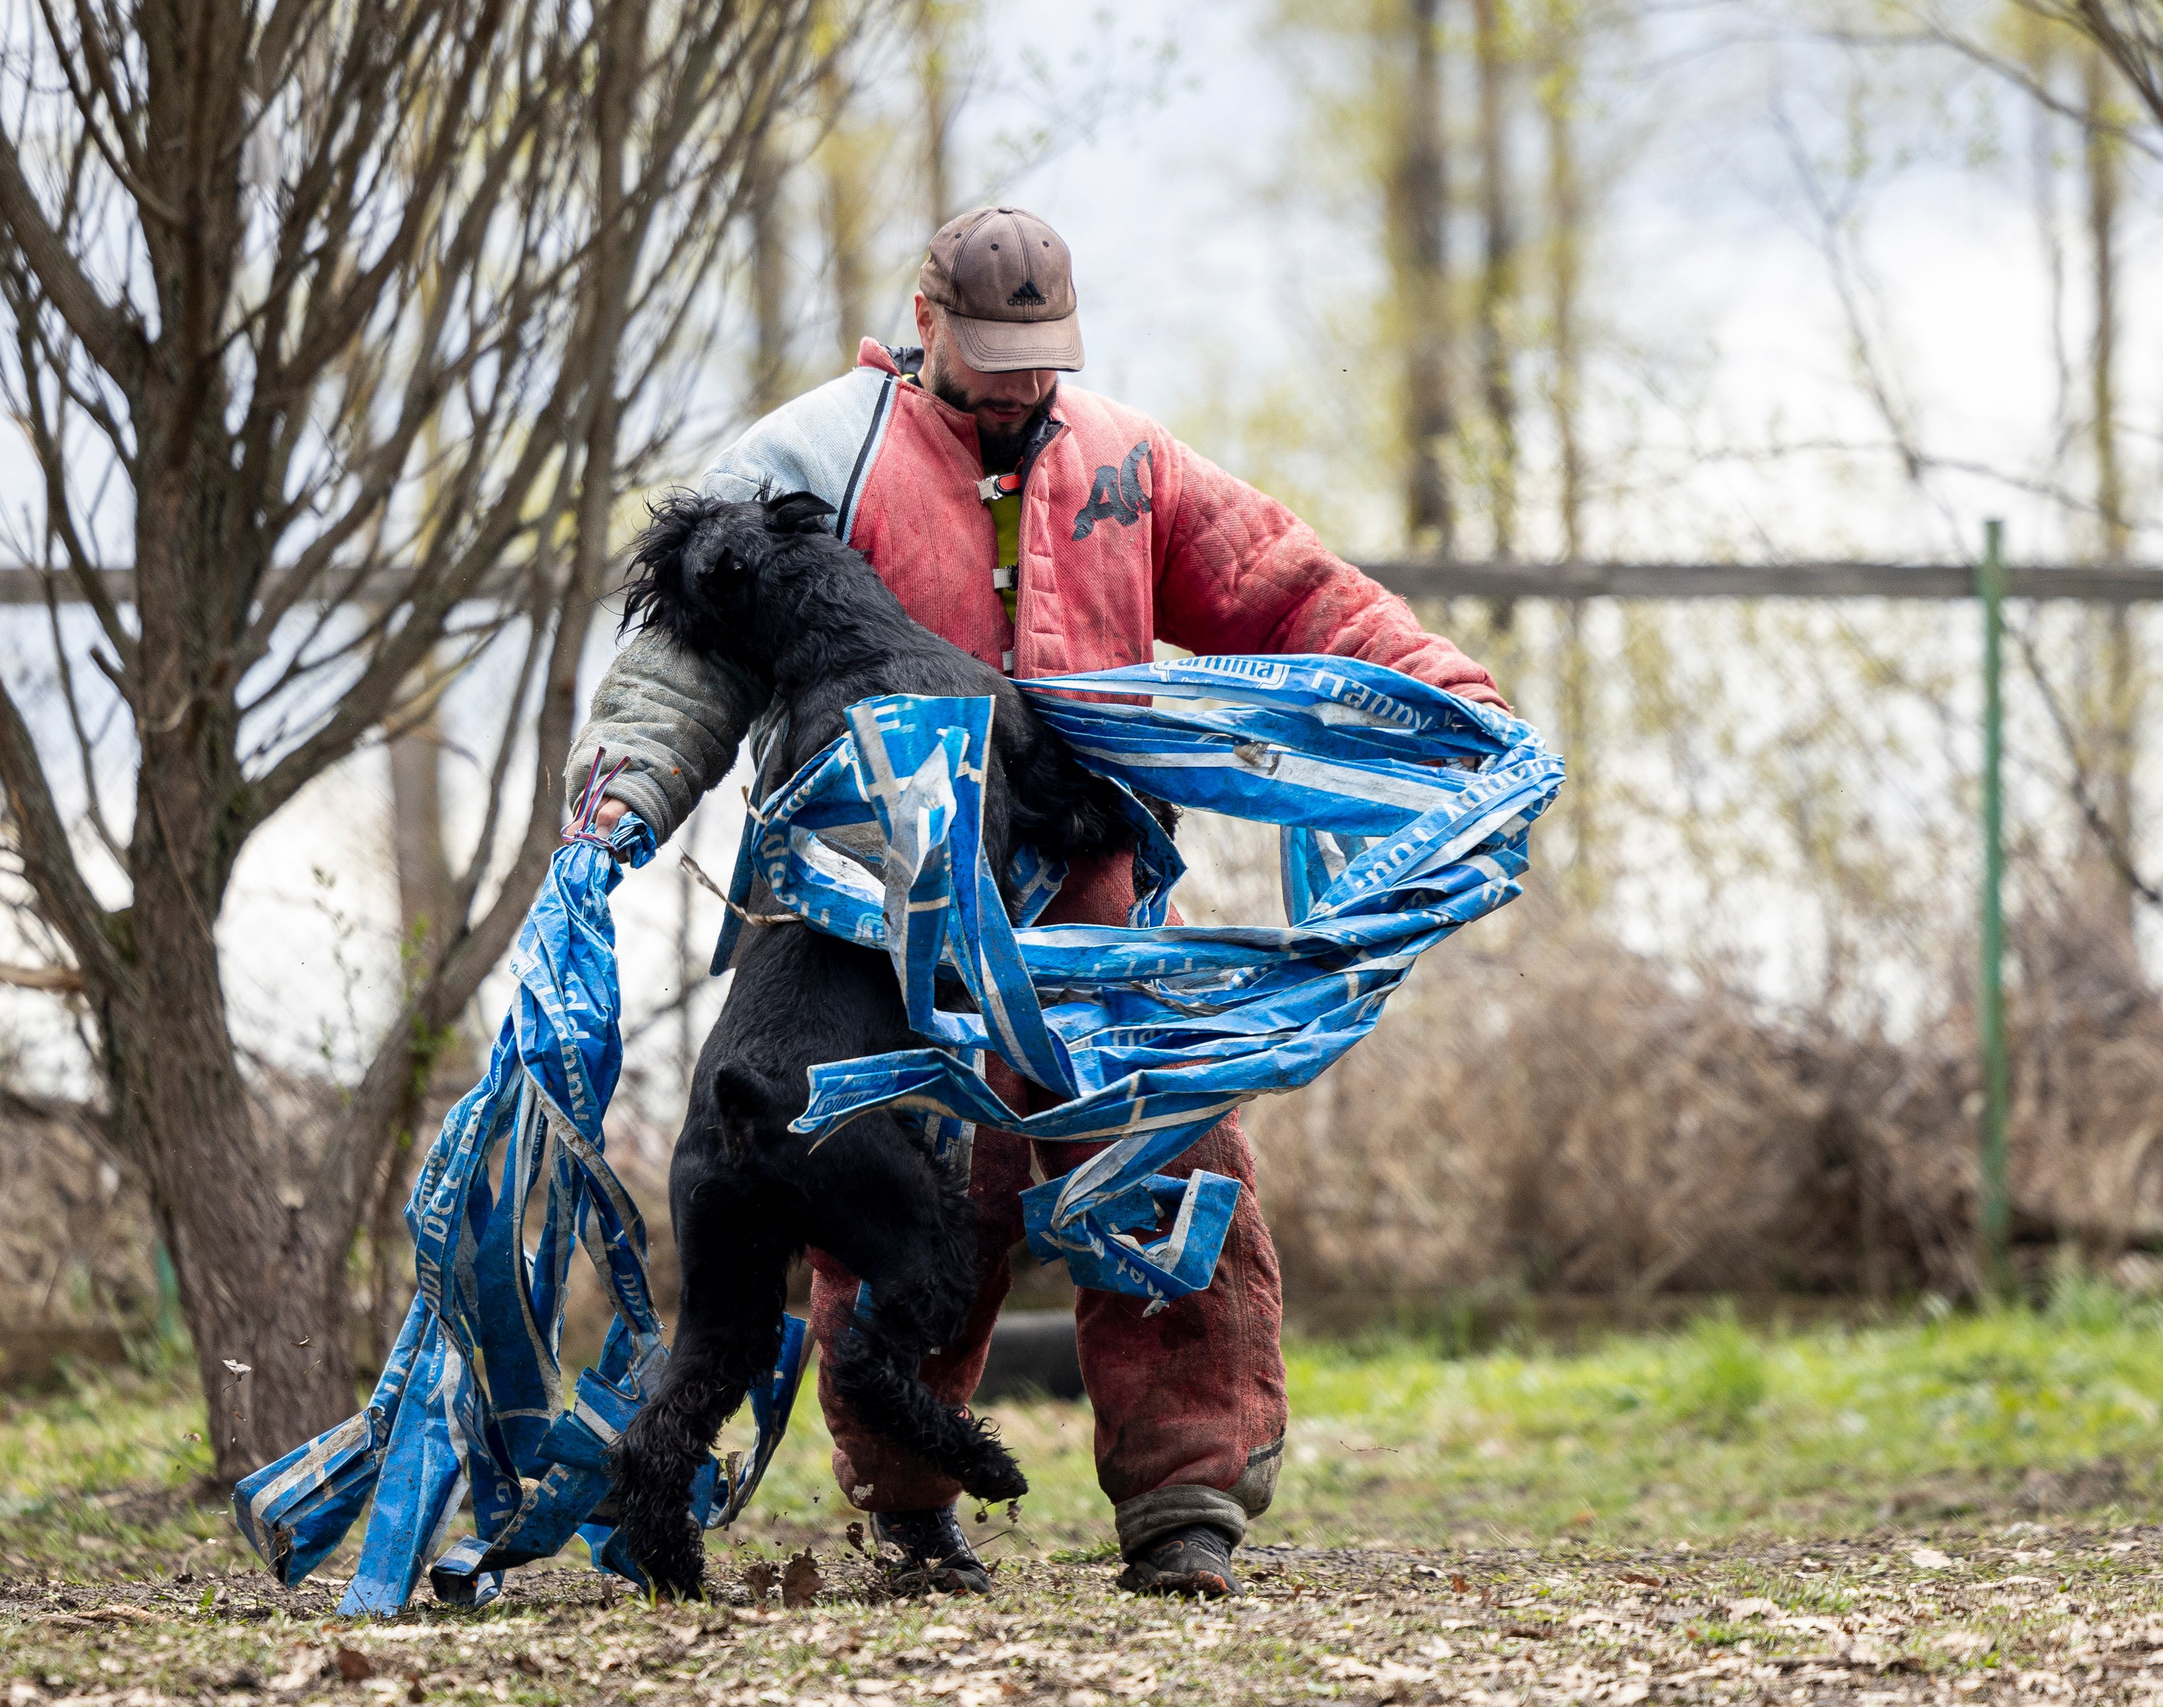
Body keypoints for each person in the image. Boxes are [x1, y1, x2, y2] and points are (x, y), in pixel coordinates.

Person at [568, 207, 1505, 1599]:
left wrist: (1441, 695)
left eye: (1041, 358)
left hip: (1094, 907)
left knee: (1173, 1174)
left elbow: (1284, 588)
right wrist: (626, 792)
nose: (1019, 384)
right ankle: (912, 1507)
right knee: (925, 1205)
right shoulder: (812, 460)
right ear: (925, 321)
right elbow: (689, 656)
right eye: (994, 354)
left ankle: (1187, 1507)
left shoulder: (1132, 463)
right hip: (876, 931)